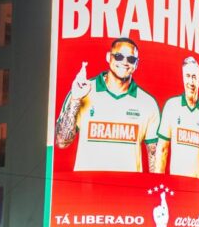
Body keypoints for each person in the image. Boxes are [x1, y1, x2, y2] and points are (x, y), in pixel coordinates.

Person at [55, 37, 160, 172]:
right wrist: (75, 99)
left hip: (128, 185)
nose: (125, 62)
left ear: (137, 63)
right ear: (108, 57)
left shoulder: (148, 103)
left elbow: (154, 158)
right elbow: (61, 142)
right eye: (119, 56)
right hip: (88, 184)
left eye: (131, 59)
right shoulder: (82, 90)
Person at [155, 56, 199, 179]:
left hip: (197, 184)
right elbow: (162, 149)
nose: (191, 82)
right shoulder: (172, 105)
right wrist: (158, 180)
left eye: (194, 77)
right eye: (188, 76)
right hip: (177, 183)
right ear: (183, 78)